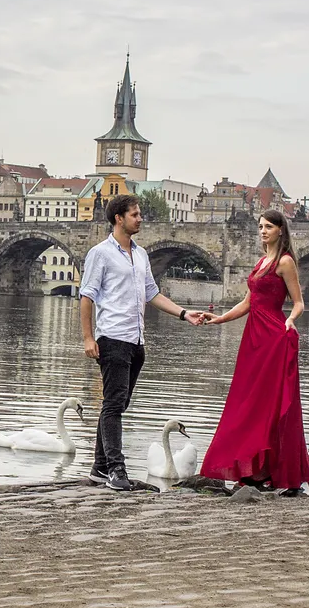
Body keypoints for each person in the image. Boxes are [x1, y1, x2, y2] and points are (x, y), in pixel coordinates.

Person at [80, 194, 206, 491]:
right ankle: (116, 469)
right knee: (112, 405)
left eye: (140, 214)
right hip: (112, 337)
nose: (140, 218)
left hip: (136, 340)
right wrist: (88, 337)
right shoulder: (100, 253)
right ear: (118, 219)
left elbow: (152, 293)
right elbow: (87, 296)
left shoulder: (141, 255)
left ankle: (99, 468)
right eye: (135, 214)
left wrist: (184, 314)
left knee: (118, 404)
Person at [200, 209, 309, 493]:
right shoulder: (261, 261)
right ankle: (254, 467)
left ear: (280, 231)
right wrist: (220, 319)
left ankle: (272, 470)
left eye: (268, 227)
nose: (263, 231)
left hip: (275, 337)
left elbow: (299, 303)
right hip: (253, 339)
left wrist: (290, 320)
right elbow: (247, 303)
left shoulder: (285, 262)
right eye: (260, 226)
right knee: (249, 401)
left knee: (271, 403)